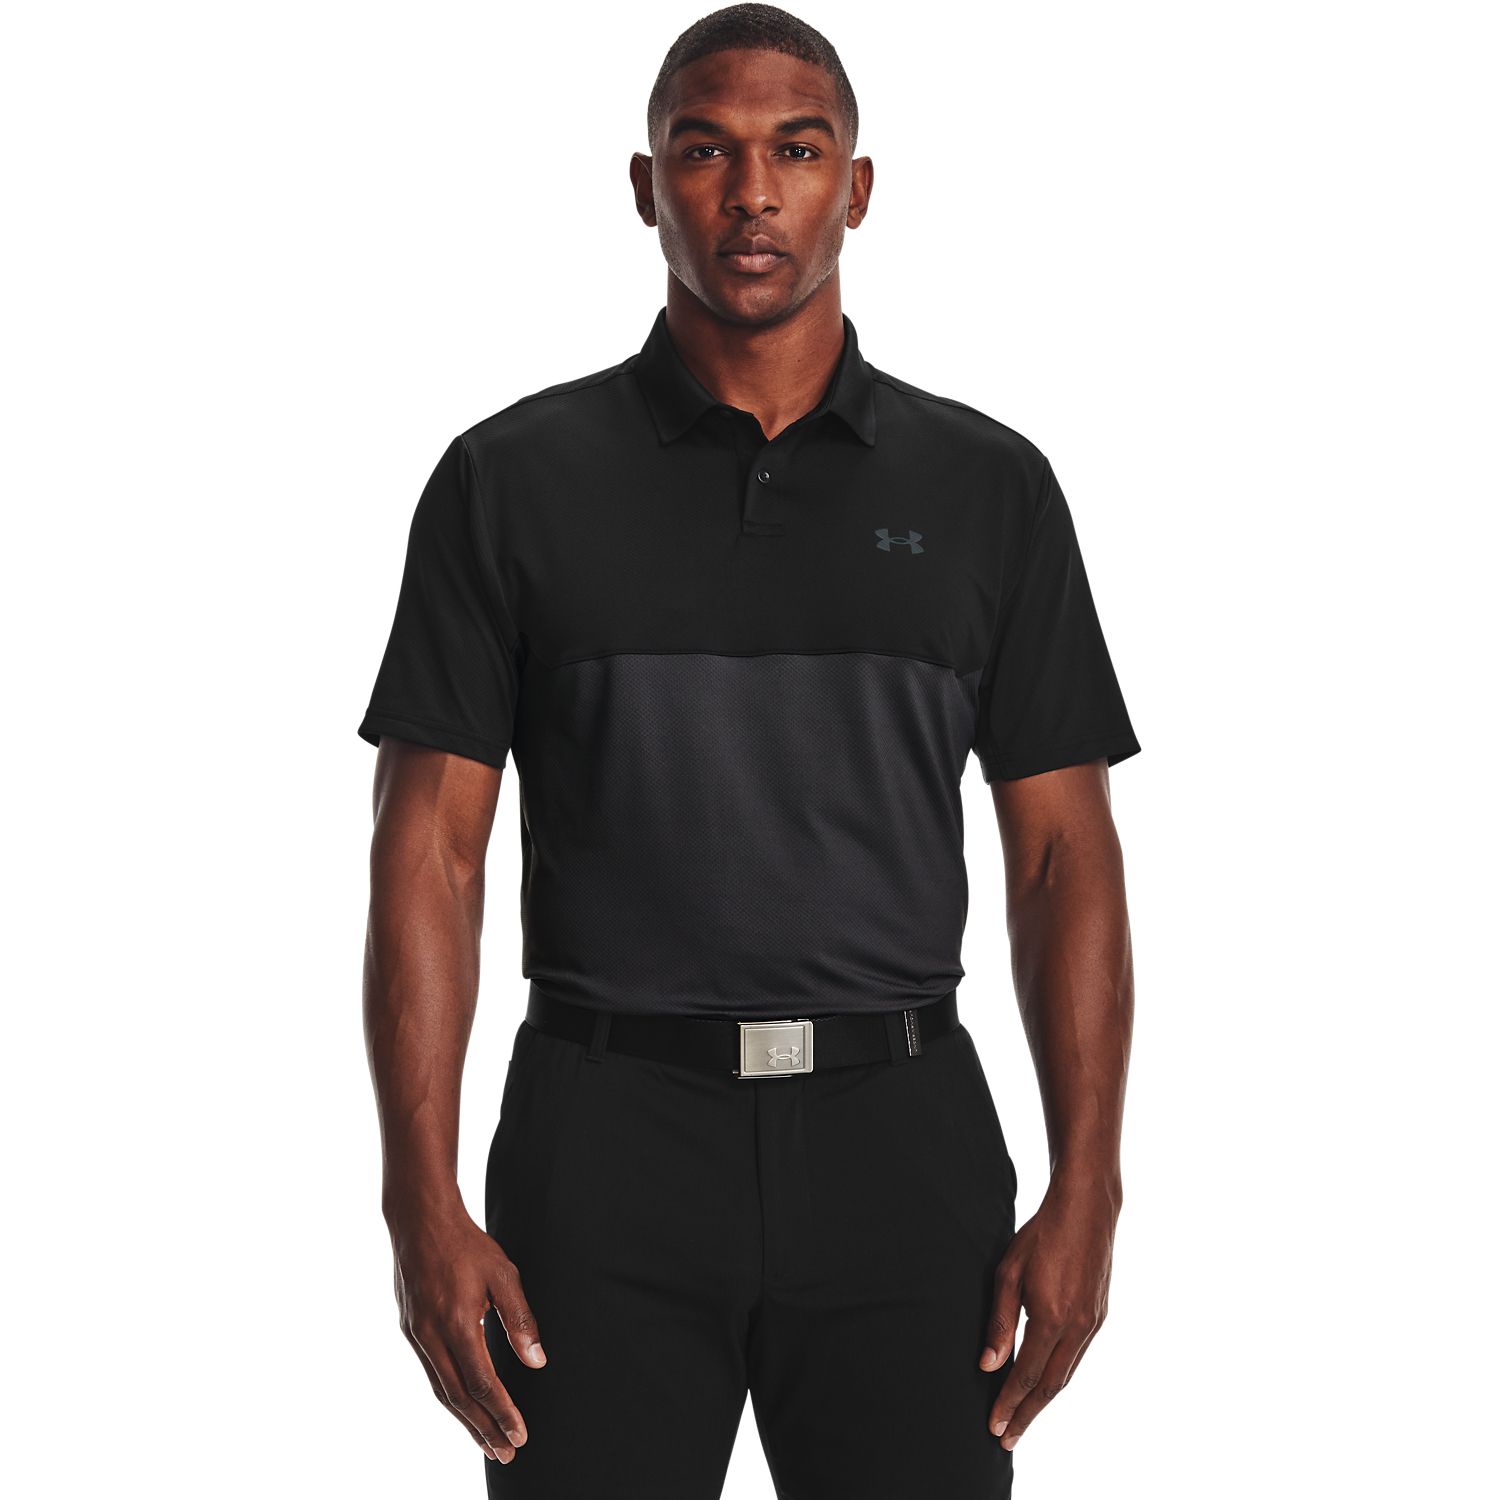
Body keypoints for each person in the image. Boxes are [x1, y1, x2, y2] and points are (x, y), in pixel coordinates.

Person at [358, 6, 1139, 1496]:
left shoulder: (991, 488)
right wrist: (419, 1199)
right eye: (705, 151)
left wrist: (1090, 1182)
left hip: (901, 1135)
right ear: (645, 186)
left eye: (798, 150)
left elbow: (1059, 854)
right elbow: (432, 851)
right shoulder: (506, 481)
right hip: (601, 1139)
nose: (754, 193)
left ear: (858, 187)